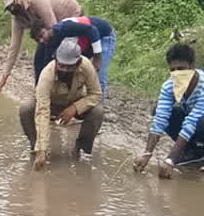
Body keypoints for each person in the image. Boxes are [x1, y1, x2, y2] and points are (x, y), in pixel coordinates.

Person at [19, 39, 103, 170]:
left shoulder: (86, 66)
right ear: (56, 60)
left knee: (97, 111)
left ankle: (80, 149)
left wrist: (74, 108)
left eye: (69, 67)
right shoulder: (47, 74)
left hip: (75, 101)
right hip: (50, 103)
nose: (64, 70)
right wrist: (41, 148)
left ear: (78, 63)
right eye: (61, 66)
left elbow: (96, 94)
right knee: (26, 108)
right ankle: (36, 148)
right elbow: (42, 111)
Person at [134, 44, 204, 179]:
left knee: (200, 121)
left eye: (181, 69)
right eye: (173, 70)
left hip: (200, 120)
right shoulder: (169, 86)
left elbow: (192, 122)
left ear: (192, 66)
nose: (177, 73)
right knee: (160, 111)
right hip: (196, 122)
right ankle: (194, 151)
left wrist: (170, 160)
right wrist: (147, 153)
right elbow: (160, 118)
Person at [0, 0, 81, 94]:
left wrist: (54, 54)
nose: (12, 9)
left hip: (71, 16)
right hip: (52, 27)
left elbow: (54, 28)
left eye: (13, 4)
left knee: (61, 57)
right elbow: (14, 47)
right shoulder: (17, 18)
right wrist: (4, 76)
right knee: (38, 60)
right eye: (9, 8)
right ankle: (40, 92)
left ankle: (67, 91)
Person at [31, 15, 117, 96]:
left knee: (98, 73)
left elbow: (92, 30)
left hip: (103, 34)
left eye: (42, 35)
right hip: (85, 42)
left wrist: (97, 58)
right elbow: (45, 67)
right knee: (72, 68)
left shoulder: (64, 28)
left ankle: (98, 103)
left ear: (48, 28)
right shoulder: (48, 43)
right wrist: (39, 90)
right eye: (38, 40)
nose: (41, 40)